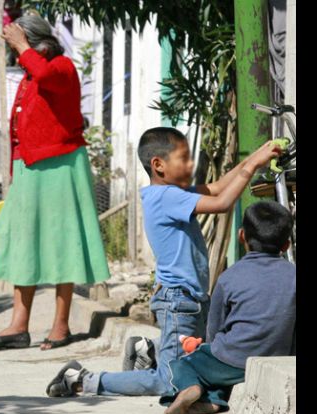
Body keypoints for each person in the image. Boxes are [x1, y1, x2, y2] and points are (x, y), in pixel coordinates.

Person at [46, 127, 283, 398]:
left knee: (194, 351)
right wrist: (253, 164)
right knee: (169, 382)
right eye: (183, 158)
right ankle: (82, 380)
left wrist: (256, 156)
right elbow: (222, 203)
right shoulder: (169, 197)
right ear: (158, 165)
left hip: (186, 298)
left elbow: (218, 188)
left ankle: (149, 350)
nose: (191, 164)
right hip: (178, 301)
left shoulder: (168, 194)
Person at [0, 14, 111, 351]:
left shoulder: (62, 67)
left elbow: (46, 74)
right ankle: (18, 326)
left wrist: (22, 46)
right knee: (24, 242)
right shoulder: (29, 74)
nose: (16, 54)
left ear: (35, 42)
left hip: (60, 166)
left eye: (19, 46)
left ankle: (61, 325)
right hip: (29, 168)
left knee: (61, 242)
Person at [162, 201, 296, 414]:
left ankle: (196, 391)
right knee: (220, 369)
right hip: (275, 356)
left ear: (242, 236)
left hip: (230, 359)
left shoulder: (229, 277)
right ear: (286, 245)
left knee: (182, 364)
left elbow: (214, 331)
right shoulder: (293, 276)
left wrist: (206, 349)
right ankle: (213, 400)